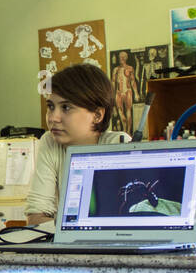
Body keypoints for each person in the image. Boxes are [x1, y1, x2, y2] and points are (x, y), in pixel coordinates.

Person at [26, 63, 128, 226]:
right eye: (51, 107)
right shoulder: (50, 141)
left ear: (97, 115)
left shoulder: (119, 144)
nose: (53, 118)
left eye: (66, 107)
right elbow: (35, 218)